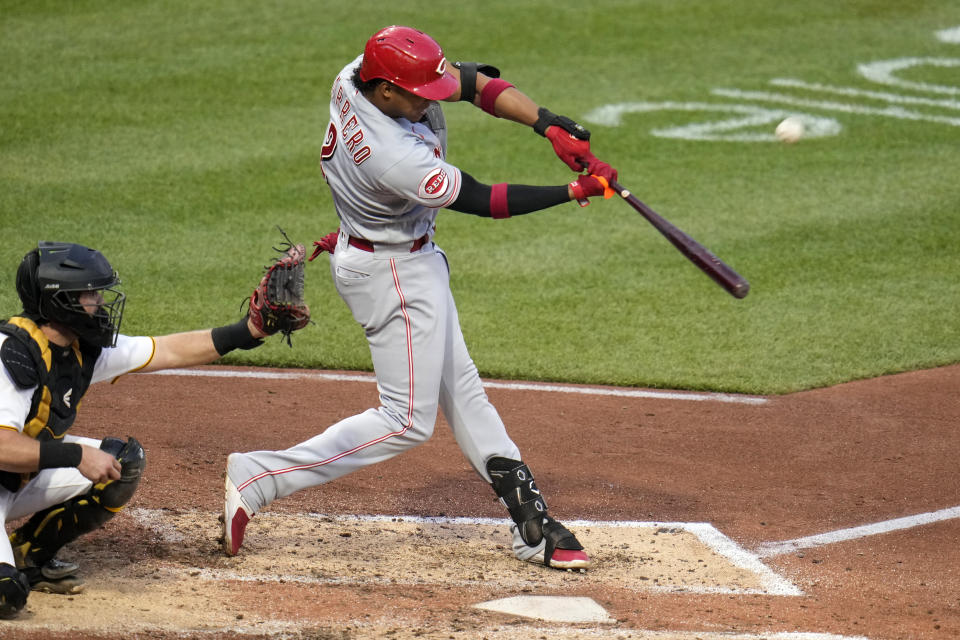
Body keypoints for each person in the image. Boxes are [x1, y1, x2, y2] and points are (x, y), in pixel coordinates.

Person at [222, 25, 619, 571]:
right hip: (393, 272)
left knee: (462, 390)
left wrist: (547, 124)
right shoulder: (391, 154)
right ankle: (259, 477)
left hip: (400, 255)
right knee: (406, 420)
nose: (429, 101)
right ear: (385, 91)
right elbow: (484, 199)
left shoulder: (359, 74)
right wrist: (573, 190)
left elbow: (473, 83)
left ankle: (531, 522)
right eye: (418, 95)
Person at [0, 241, 278, 618]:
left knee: (120, 463)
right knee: (6, 596)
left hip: (13, 482)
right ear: (59, 301)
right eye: (90, 293)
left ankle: (28, 555)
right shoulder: (12, 355)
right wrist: (75, 454)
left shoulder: (79, 349)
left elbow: (166, 350)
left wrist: (248, 331)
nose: (100, 302)